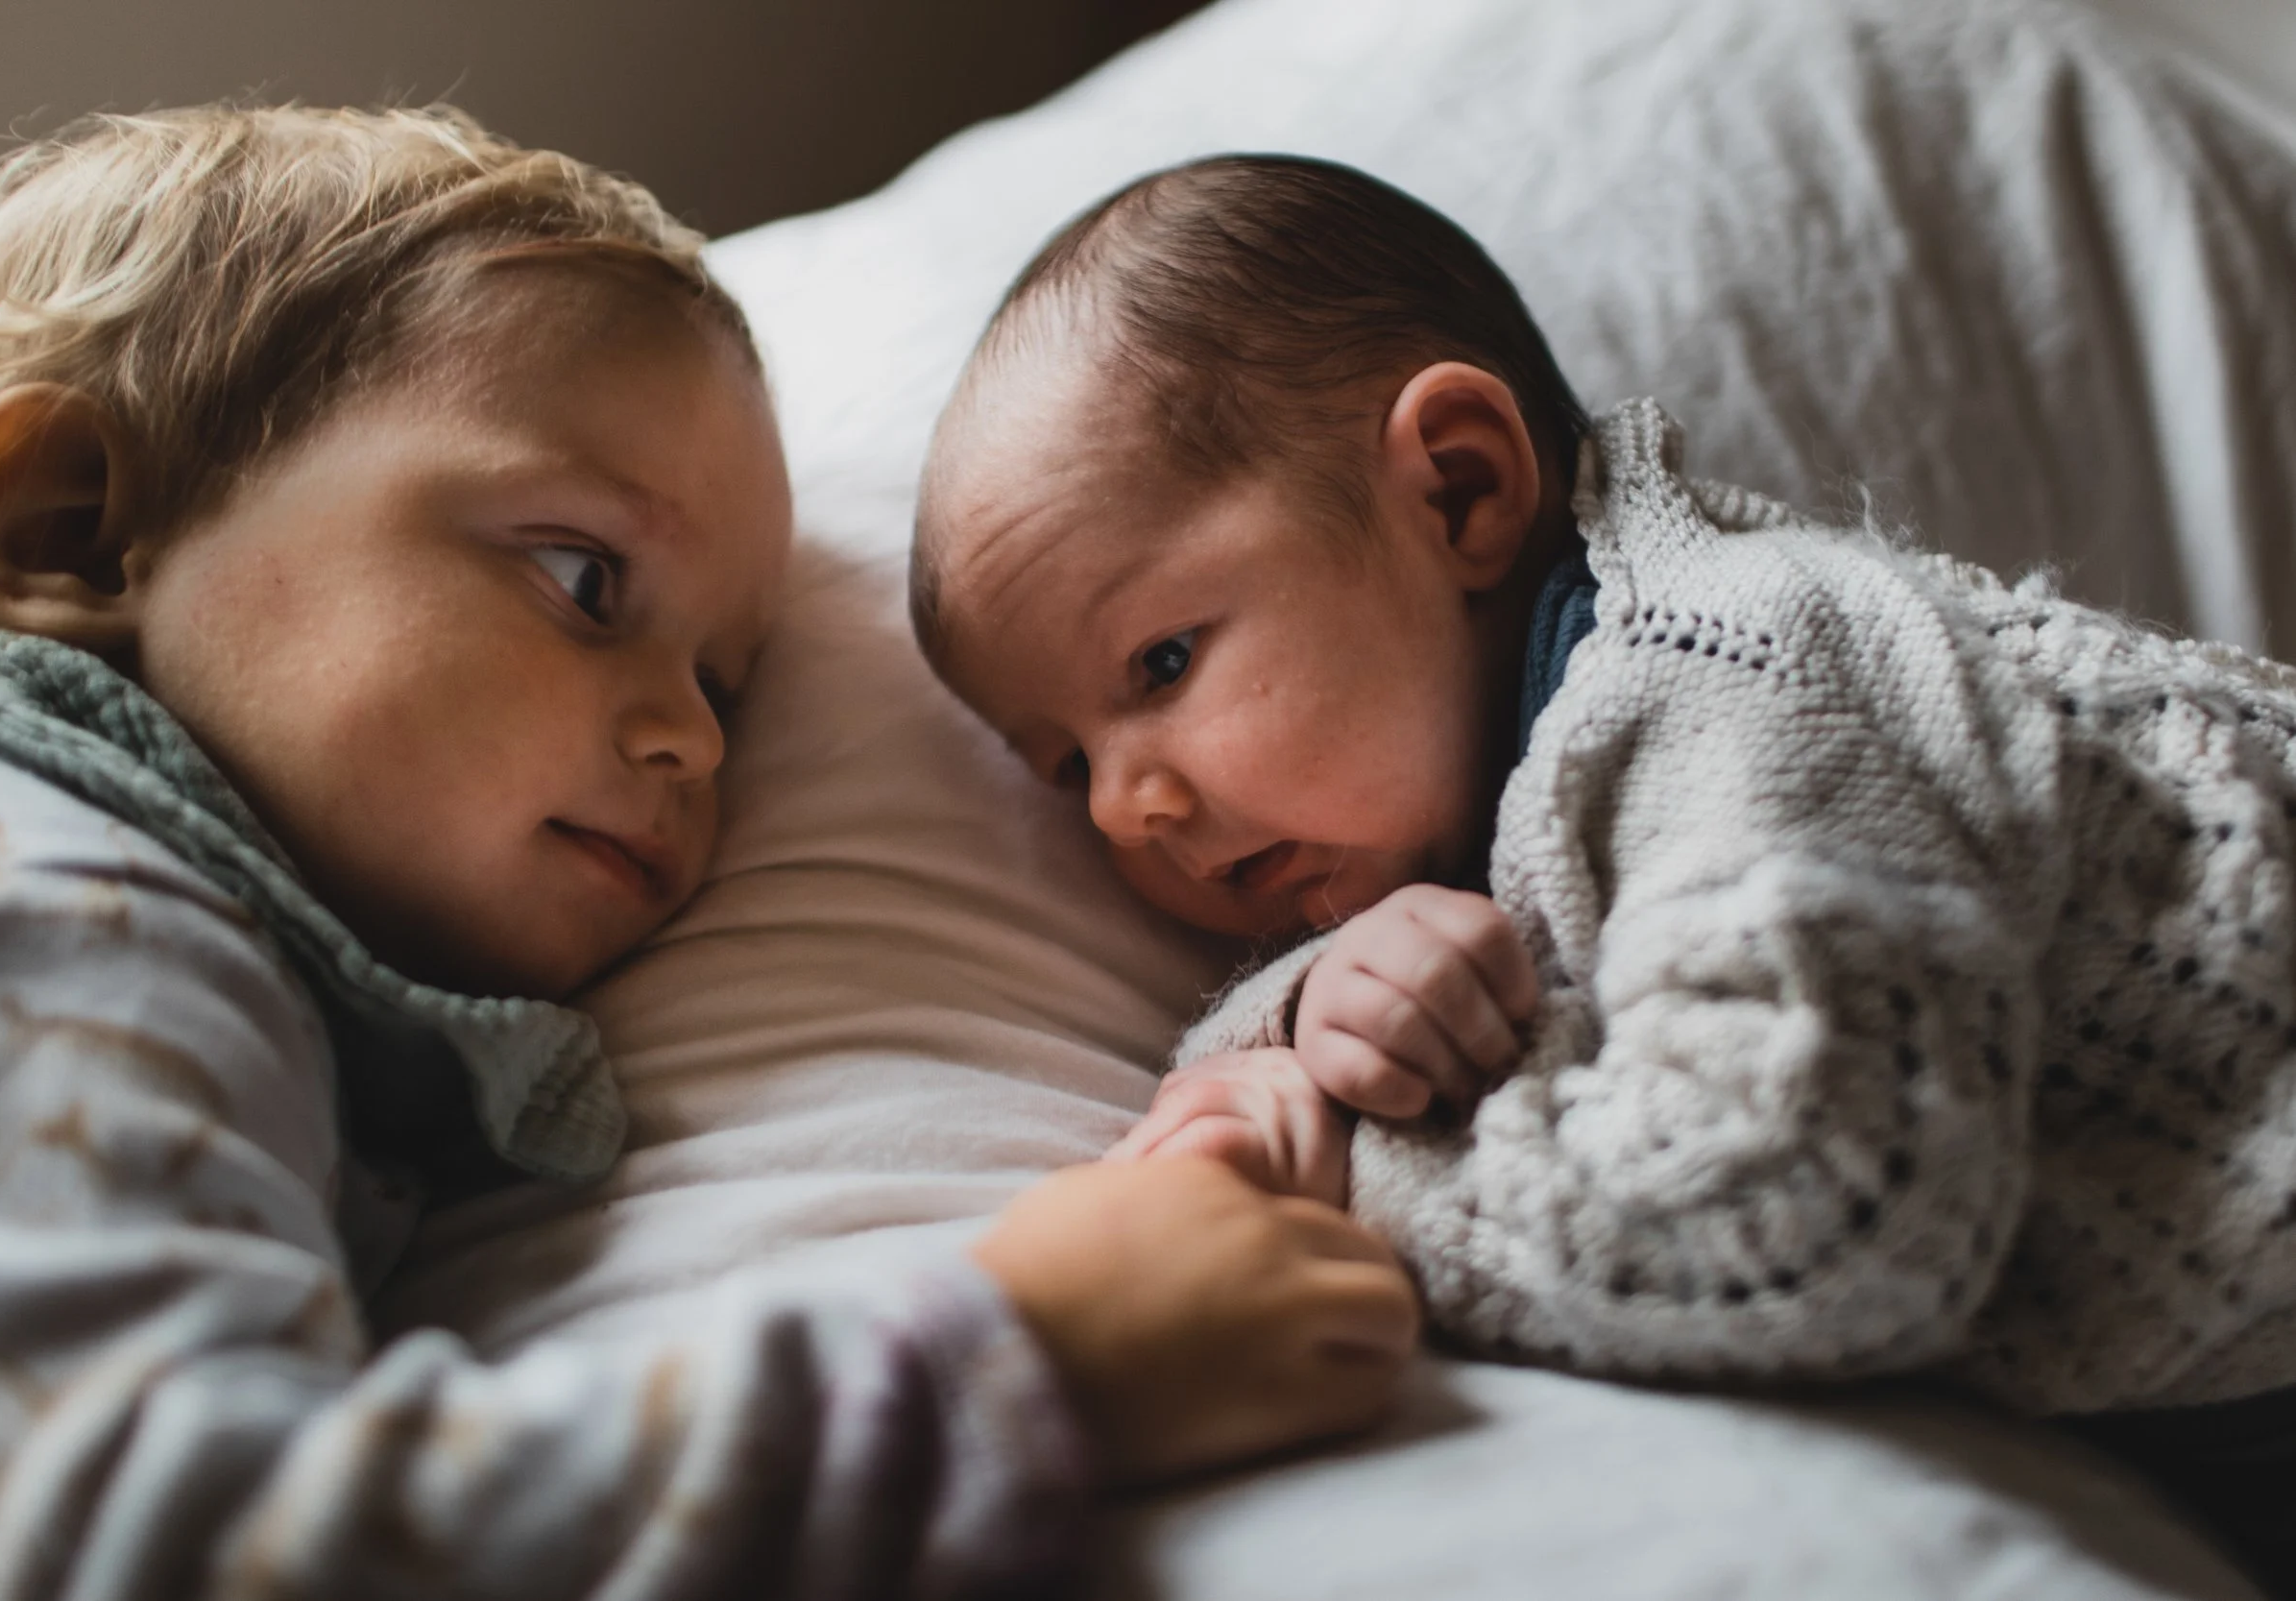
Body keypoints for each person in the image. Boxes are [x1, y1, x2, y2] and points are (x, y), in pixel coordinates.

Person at [0, 109, 1420, 1600]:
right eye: (583, 579)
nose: (693, 742)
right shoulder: (41, 907)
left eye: (725, 685)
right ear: (72, 525)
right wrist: (1022, 1359)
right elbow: (147, 1541)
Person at [911, 153, 2296, 1588]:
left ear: (1455, 488)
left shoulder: (1738, 679)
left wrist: (1355, 1179)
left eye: (1161, 661)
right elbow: (1292, 1047)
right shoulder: (1462, 807)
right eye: (1065, 765)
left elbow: (1817, 1207)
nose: (1128, 807)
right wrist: (1301, 1023)